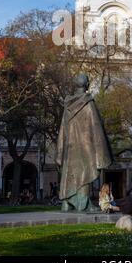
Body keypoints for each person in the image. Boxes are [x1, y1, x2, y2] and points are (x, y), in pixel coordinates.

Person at [56, 73, 112, 212]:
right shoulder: (88, 103)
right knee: (86, 172)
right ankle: (83, 203)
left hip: (70, 146)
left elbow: (63, 128)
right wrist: (101, 150)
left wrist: (60, 149)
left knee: (69, 172)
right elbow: (96, 127)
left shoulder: (67, 104)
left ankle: (66, 203)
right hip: (85, 145)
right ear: (87, 85)